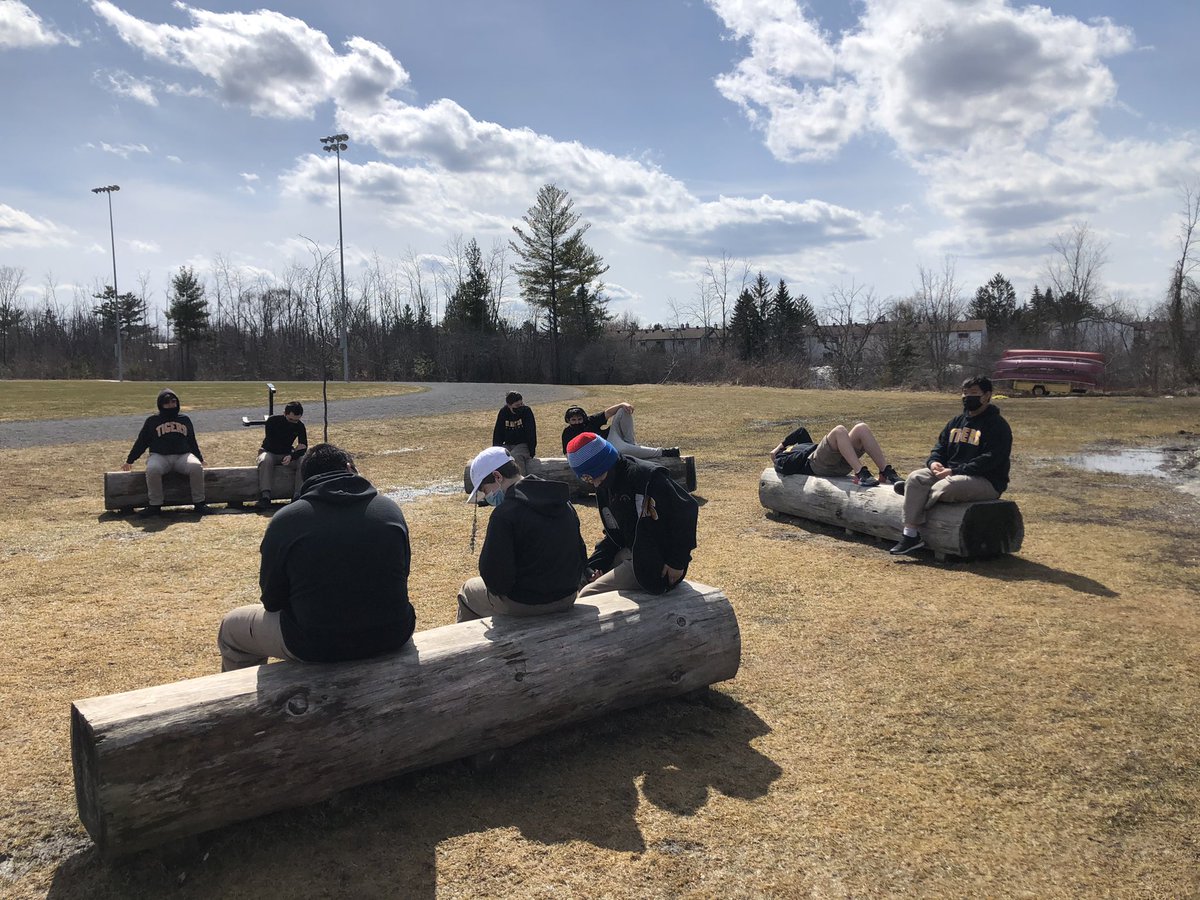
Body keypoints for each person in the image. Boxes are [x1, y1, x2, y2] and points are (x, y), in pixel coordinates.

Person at [217, 443, 416, 670]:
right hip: (393, 632)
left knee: (231, 629)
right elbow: (402, 574)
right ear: (350, 468)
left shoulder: (287, 520)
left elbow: (272, 600)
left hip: (316, 644)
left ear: (306, 479)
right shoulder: (389, 509)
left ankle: (243, 702)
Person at [457, 446, 587, 622]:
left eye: (485, 490)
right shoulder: (560, 499)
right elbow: (581, 553)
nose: (486, 496)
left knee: (468, 590)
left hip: (525, 603)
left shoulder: (504, 514)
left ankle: (475, 648)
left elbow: (495, 580)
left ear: (497, 476)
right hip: (568, 595)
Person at [890, 375, 1013, 555]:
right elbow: (939, 447)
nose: (966, 397)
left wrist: (955, 471)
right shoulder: (956, 422)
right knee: (916, 478)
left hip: (985, 481)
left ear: (987, 396)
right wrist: (934, 463)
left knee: (946, 486)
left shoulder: (998, 425)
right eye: (964, 393)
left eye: (973, 393)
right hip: (950, 473)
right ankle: (910, 535)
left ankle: (916, 496)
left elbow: (991, 458)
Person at [566, 432, 698, 599]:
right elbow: (615, 534)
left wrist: (677, 562)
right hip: (633, 552)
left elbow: (686, 509)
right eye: (588, 480)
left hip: (658, 561)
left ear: (606, 463)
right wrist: (593, 566)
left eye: (596, 476)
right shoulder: (607, 486)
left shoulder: (646, 476)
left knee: (588, 594)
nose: (595, 484)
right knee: (583, 581)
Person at [122, 388, 207, 516]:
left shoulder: (184, 419)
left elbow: (191, 441)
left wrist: (200, 458)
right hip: (159, 456)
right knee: (152, 469)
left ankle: (199, 503)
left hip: (182, 456)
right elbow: (142, 442)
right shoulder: (152, 421)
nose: (171, 405)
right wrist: (130, 460)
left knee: (195, 467)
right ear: (160, 404)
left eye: (173, 401)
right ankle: (155, 505)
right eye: (166, 402)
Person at [769, 423, 900, 487]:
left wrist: (777, 448)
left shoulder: (800, 443)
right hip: (816, 465)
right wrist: (778, 455)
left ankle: (885, 472)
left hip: (836, 462)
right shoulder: (782, 458)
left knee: (862, 428)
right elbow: (788, 467)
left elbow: (800, 431)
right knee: (839, 431)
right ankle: (860, 473)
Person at [560, 402, 679, 459]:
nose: (577, 422)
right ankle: (664, 452)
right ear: (568, 421)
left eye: (579, 419)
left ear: (584, 418)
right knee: (623, 449)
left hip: (610, 438)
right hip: (604, 449)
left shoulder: (590, 421)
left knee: (622, 410)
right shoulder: (567, 433)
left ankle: (631, 444)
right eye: (573, 420)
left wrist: (623, 404)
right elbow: (567, 454)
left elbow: (609, 412)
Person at [256, 401, 308, 508]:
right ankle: (265, 496)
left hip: (288, 455)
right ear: (284, 413)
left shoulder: (300, 426)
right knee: (266, 460)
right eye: (290, 419)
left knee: (303, 460)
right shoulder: (272, 421)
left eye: (296, 420)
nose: (293, 422)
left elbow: (303, 447)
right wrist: (292, 452)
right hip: (269, 451)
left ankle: (297, 496)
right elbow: (272, 443)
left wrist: (292, 456)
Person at [491, 391, 537, 474]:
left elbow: (531, 432)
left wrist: (532, 451)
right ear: (509, 405)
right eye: (517, 405)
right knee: (501, 455)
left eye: (521, 404)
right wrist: (496, 450)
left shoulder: (526, 411)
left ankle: (521, 482)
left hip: (523, 444)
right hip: (508, 444)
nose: (520, 407)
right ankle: (502, 482)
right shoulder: (503, 412)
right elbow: (498, 432)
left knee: (516, 455)